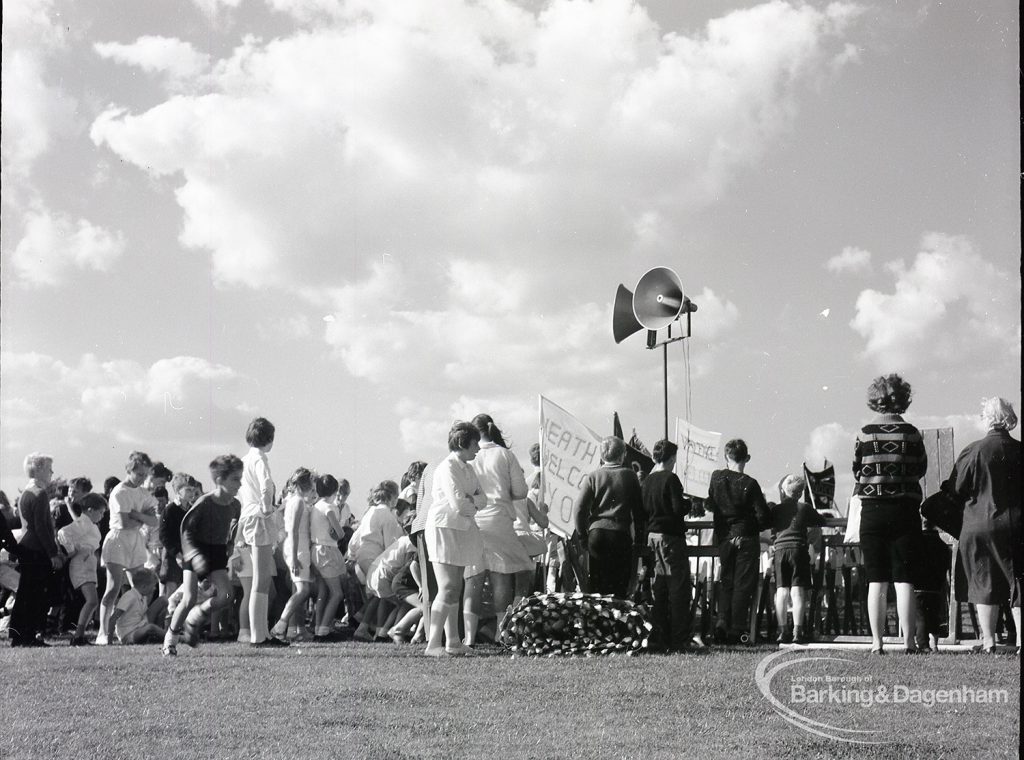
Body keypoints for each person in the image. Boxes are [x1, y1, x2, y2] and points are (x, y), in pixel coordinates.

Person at [853, 373, 927, 655]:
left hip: (872, 511)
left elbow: (857, 470)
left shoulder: (864, 433)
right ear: (903, 398)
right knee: (905, 578)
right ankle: (908, 642)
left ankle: (877, 642)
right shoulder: (912, 433)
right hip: (905, 510)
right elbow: (920, 468)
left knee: (876, 578)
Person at [943, 397, 1021, 653]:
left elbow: (956, 488)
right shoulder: (1020, 450)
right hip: (1015, 524)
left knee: (983, 581)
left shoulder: (973, 450)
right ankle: (1021, 641)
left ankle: (988, 641)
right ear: (1009, 419)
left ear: (986, 420)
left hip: (977, 525)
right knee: (1018, 582)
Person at [463, 414, 535, 645]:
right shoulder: (505, 455)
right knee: (501, 577)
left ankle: (468, 636)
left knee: (473, 578)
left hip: (473, 520)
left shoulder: (466, 457)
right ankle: (501, 633)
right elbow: (521, 492)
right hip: (499, 519)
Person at [163, 455, 244, 655]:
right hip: (196, 550)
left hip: (216, 551)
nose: (239, 483)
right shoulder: (205, 502)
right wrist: (193, 555)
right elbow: (186, 530)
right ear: (219, 480)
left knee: (226, 595)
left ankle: (194, 618)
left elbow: (233, 526)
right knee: (189, 598)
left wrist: (230, 545)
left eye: (240, 478)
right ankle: (170, 640)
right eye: (235, 479)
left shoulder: (235, 505)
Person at [424, 421, 486, 656]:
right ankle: (433, 645)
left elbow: (484, 499)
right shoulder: (446, 468)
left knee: (455, 587)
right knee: (448, 587)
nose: (478, 449)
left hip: (461, 530)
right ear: (462, 443)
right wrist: (472, 500)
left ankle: (453, 642)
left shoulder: (468, 468)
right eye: (474, 444)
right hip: (444, 528)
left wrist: (472, 500)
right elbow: (459, 504)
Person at [706, 438, 770, 645]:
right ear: (747, 458)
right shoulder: (750, 484)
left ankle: (722, 621)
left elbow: (710, 503)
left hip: (724, 536)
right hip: (746, 537)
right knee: (743, 585)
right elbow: (763, 517)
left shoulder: (716, 477)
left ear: (726, 457)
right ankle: (737, 629)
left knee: (727, 581)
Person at [98, 452, 159, 645]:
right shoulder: (120, 492)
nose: (142, 479)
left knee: (141, 585)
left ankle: (136, 625)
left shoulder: (143, 493)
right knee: (113, 586)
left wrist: (137, 515)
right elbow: (124, 523)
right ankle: (103, 631)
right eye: (139, 474)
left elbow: (153, 519)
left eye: (145, 475)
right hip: (118, 540)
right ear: (129, 470)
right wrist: (141, 516)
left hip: (135, 539)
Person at [573, 436, 646, 599]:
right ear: (623, 455)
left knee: (598, 587)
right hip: (620, 535)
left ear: (601, 456)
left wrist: (582, 536)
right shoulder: (630, 476)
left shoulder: (593, 477)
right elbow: (638, 511)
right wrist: (639, 538)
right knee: (619, 586)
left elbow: (579, 509)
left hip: (597, 535)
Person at [641, 439, 693, 652]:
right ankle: (678, 639)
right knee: (678, 588)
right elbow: (676, 508)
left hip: (651, 537)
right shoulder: (671, 479)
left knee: (658, 588)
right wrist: (687, 503)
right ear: (672, 458)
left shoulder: (647, 481)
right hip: (671, 537)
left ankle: (659, 636)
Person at [9, 453, 65, 647]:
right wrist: (52, 553)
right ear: (39, 469)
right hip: (37, 549)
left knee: (26, 592)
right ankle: (29, 634)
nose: (51, 473)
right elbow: (42, 527)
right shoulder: (39, 494)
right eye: (49, 469)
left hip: (27, 545)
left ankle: (19, 634)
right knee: (35, 594)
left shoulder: (27, 492)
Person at [237, 417, 280, 646]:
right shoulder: (260, 459)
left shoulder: (243, 460)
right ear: (269, 439)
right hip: (258, 518)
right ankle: (259, 634)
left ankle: (262, 632)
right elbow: (266, 485)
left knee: (259, 580)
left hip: (247, 517)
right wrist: (267, 508)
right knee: (261, 580)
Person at [768, 474, 825, 645]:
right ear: (800, 493)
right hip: (799, 550)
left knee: (782, 591)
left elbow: (772, 528)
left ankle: (782, 630)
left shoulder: (776, 510)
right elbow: (820, 521)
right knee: (798, 592)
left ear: (783, 491)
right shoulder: (805, 508)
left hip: (780, 550)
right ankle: (797, 631)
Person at [348, 480, 405, 641]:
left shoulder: (370, 512)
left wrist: (352, 555)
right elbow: (390, 544)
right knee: (380, 592)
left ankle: (362, 622)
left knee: (375, 593)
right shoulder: (388, 515)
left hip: (361, 553)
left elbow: (355, 537)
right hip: (375, 555)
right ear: (393, 497)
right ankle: (370, 627)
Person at [270, 467, 317, 641]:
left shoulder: (293, 500)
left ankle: (297, 629)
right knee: (303, 590)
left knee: (298, 590)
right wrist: (296, 557)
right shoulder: (297, 502)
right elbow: (293, 531)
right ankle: (281, 625)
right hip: (297, 548)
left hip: (296, 547)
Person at [57, 493, 107, 645]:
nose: (102, 516)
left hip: (88, 563)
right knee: (92, 601)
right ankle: (78, 636)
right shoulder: (84, 523)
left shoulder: (88, 524)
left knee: (92, 601)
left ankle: (80, 635)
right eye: (101, 512)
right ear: (91, 510)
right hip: (82, 564)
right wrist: (71, 550)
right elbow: (63, 532)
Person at [310, 474, 348, 641]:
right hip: (327, 550)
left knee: (323, 591)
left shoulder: (315, 506)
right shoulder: (329, 507)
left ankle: (318, 627)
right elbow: (340, 533)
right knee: (337, 593)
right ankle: (324, 629)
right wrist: (336, 532)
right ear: (335, 490)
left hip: (316, 550)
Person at [159, 473, 198, 598]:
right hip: (172, 556)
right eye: (188, 490)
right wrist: (176, 554)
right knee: (171, 594)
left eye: (193, 490)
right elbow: (164, 536)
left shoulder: (193, 510)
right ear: (178, 491)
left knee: (186, 592)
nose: (191, 493)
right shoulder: (169, 510)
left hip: (188, 555)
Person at [108, 568, 164, 644]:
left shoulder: (143, 596)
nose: (154, 589)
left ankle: (160, 634)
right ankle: (173, 637)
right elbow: (113, 618)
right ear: (144, 587)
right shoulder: (130, 596)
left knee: (163, 600)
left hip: (140, 625)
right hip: (129, 634)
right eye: (153, 586)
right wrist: (109, 641)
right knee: (150, 627)